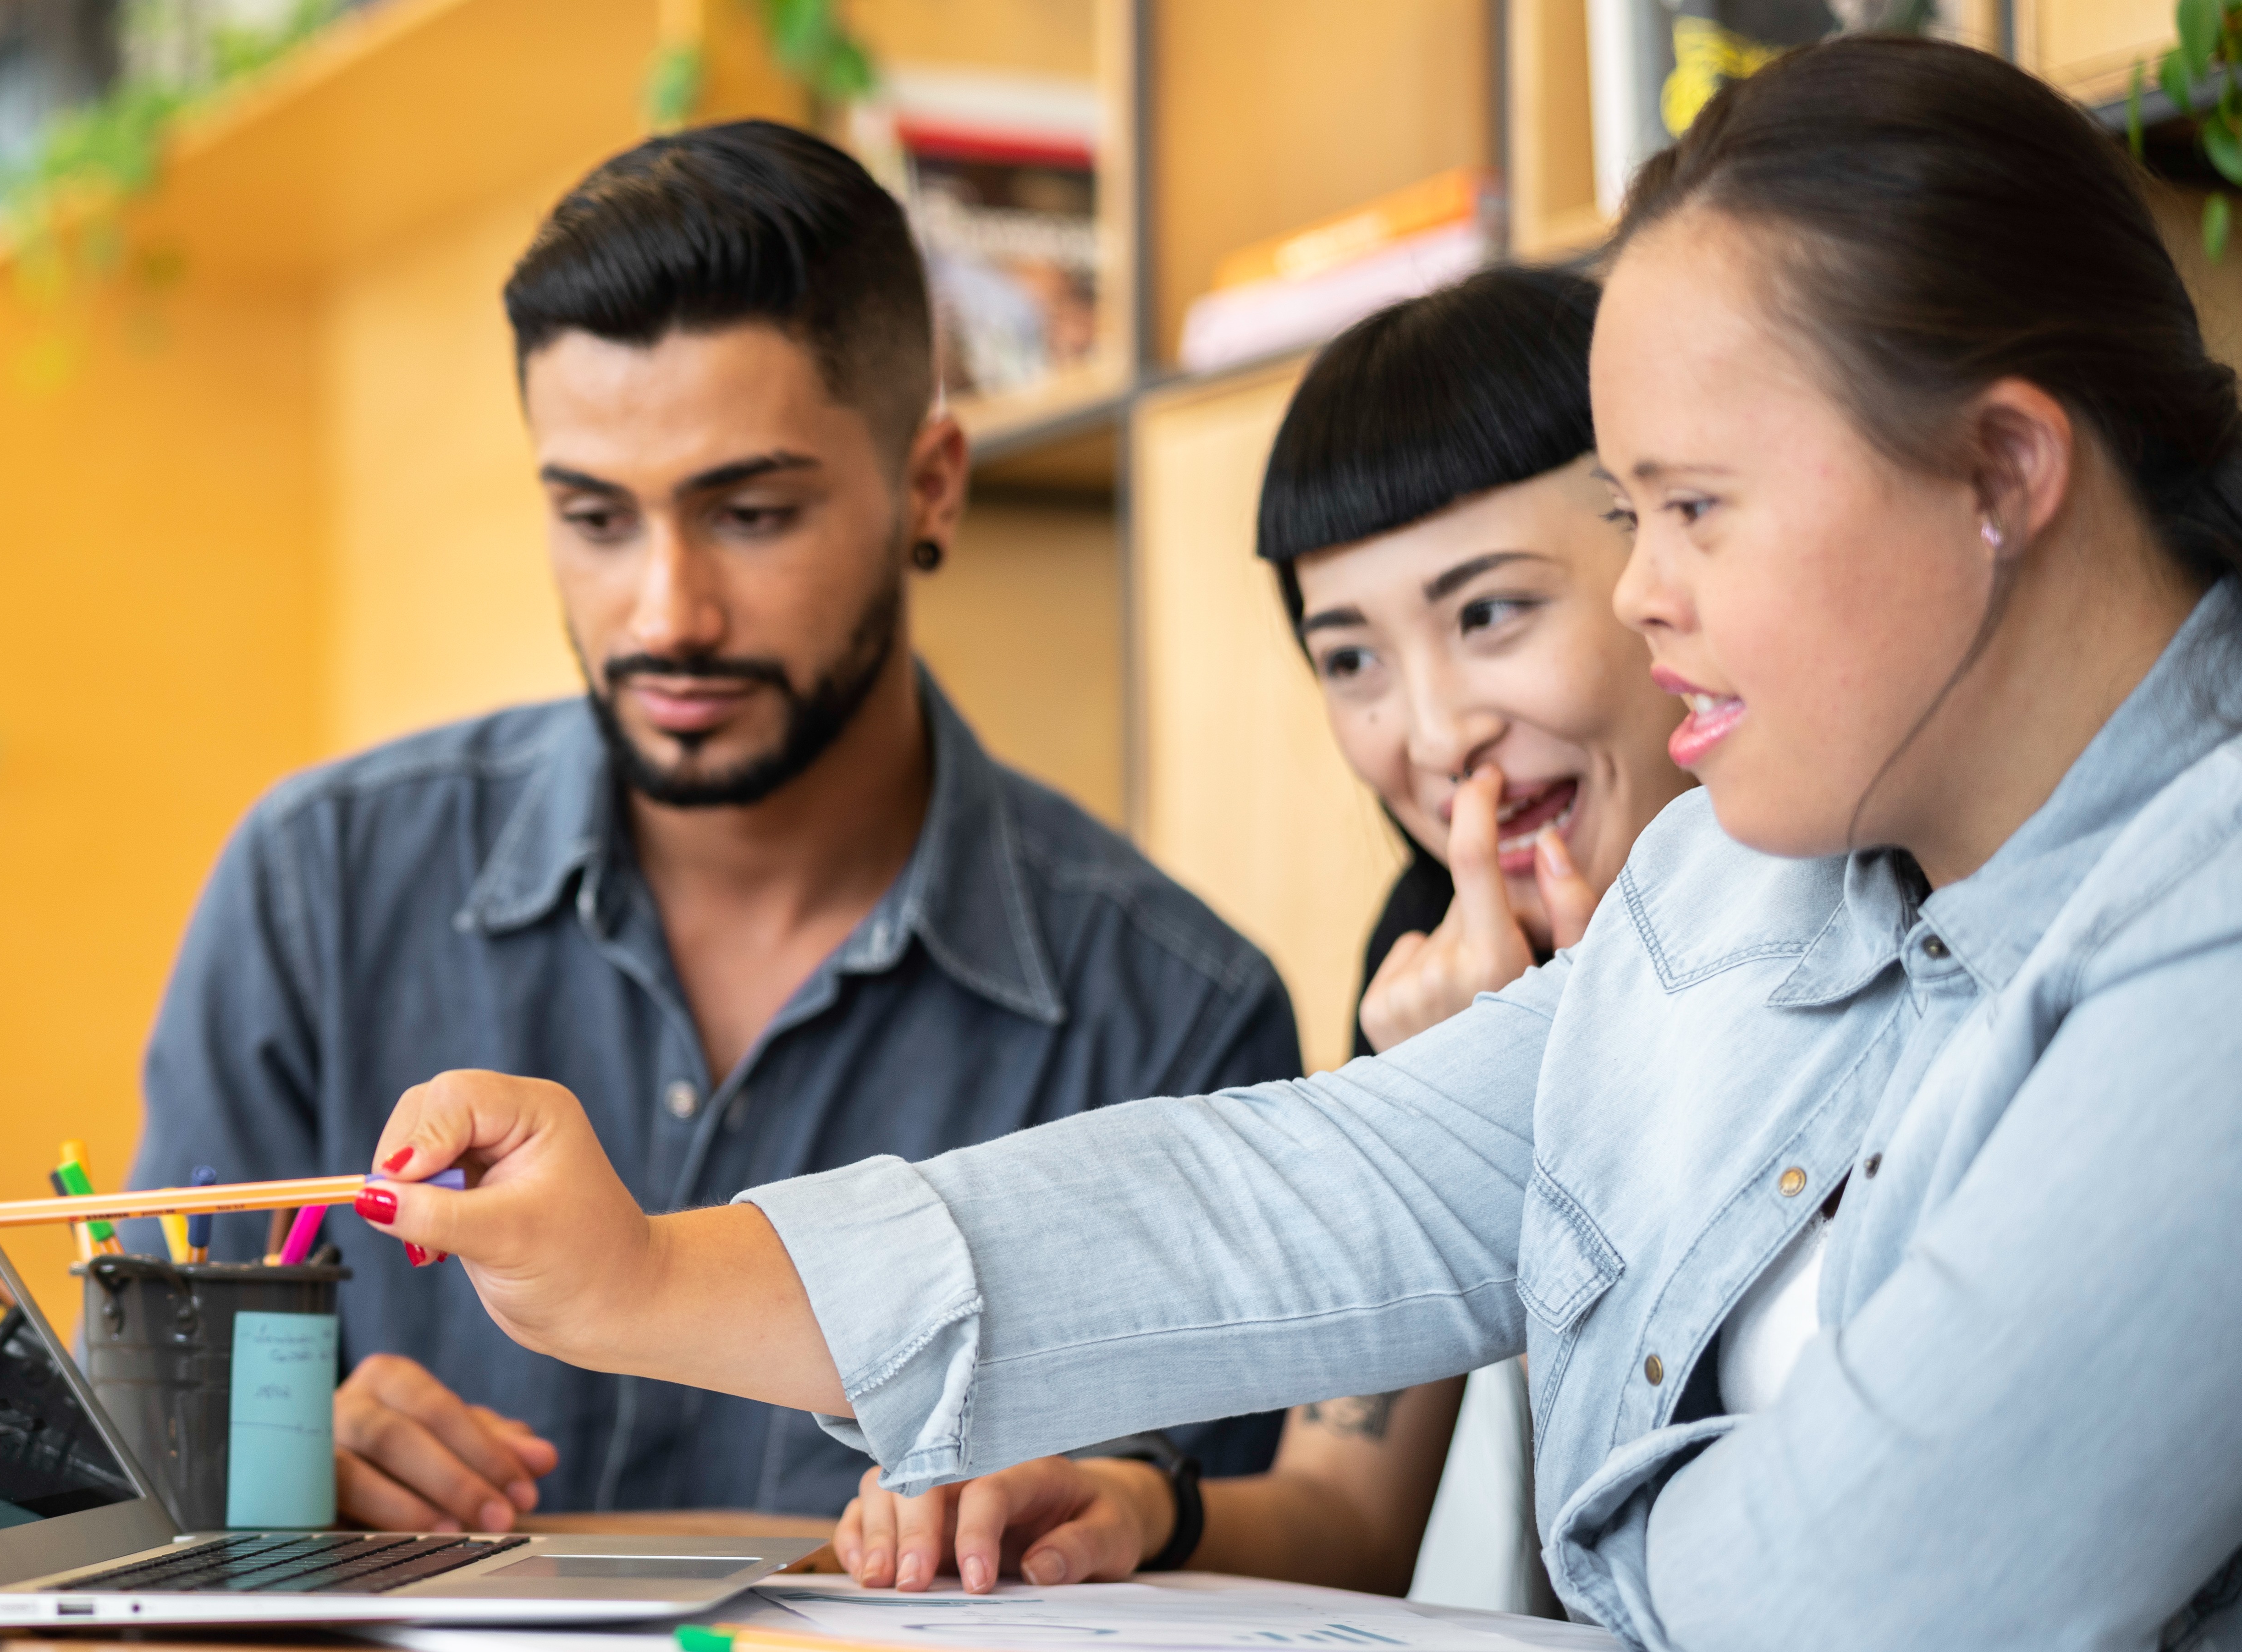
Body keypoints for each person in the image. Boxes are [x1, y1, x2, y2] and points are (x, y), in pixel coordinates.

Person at [354, 38, 2242, 1646]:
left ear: (2001, 470)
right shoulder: (1742, 880)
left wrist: (1580, 1542)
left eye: (1689, 509)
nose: (1644, 596)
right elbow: (1288, 1195)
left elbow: (1854, 1599)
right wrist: (643, 1276)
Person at [126, 119, 1306, 1533]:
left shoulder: (1174, 1020)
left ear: (930, 483)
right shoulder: (318, 888)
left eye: (748, 513)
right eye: (595, 519)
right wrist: (262, 1460)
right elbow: (130, 1448)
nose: (665, 614)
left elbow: (1210, 1562)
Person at [837, 268, 1700, 1602]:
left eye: (1488, 613)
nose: (1429, 733)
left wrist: (1564, 1103)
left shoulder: (1832, 907)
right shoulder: (1432, 950)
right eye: (1351, 658)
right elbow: (1348, 1508)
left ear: (1670, 560)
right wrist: (1136, 1502)